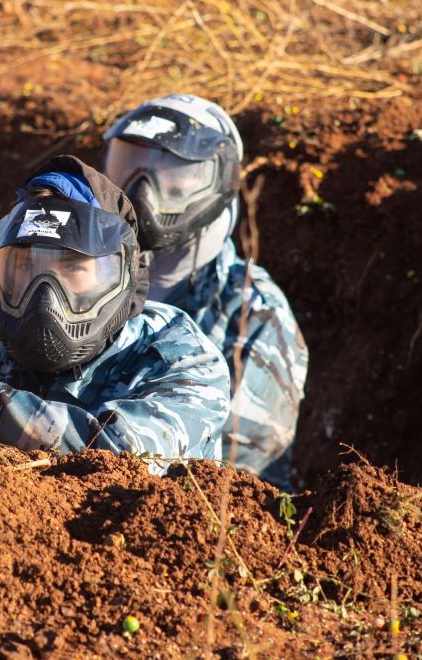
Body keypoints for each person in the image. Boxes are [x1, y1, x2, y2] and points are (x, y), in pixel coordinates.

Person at [0, 156, 234, 471]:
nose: (44, 298)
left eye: (73, 269)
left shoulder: (180, 358)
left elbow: (122, 456)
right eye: (24, 270)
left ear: (124, 278)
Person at [101, 93, 308, 489]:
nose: (141, 191)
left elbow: (227, 473)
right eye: (128, 166)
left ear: (219, 181)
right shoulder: (93, 276)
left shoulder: (253, 313)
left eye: (173, 173)